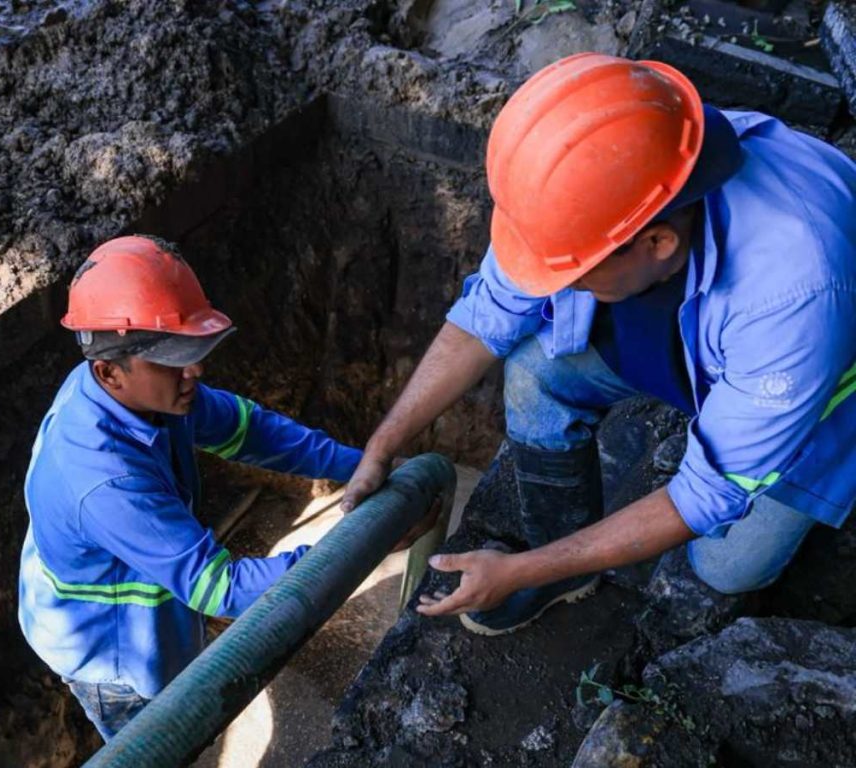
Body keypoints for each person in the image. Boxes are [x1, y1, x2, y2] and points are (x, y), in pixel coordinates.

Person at [340, 52, 856, 635]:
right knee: (536, 373)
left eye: (573, 275)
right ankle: (565, 572)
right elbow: (490, 312)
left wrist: (518, 570)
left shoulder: (795, 294)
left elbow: (704, 496)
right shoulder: (615, 171)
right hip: (713, 332)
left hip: (813, 395)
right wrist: (384, 443)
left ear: (657, 243)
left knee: (723, 567)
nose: (556, 286)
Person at [17, 235, 362, 739]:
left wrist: (362, 464)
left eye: (194, 350)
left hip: (127, 592)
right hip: (110, 655)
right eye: (175, 357)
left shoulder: (142, 392)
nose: (195, 370)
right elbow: (219, 588)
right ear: (109, 372)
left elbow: (249, 429)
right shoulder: (103, 477)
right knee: (159, 746)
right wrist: (350, 545)